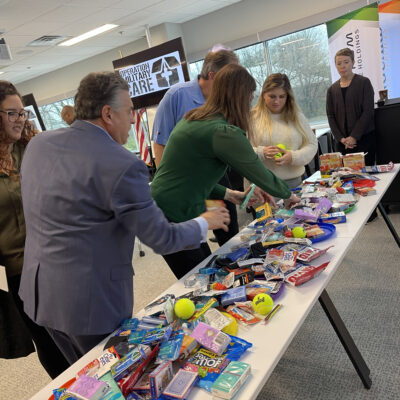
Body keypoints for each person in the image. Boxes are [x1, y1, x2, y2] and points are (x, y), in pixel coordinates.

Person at [18, 72, 230, 365]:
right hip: (91, 303)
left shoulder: (39, 145)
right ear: (107, 113)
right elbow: (163, 239)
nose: (133, 120)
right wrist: (205, 221)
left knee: (82, 378)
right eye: (129, 110)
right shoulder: (122, 163)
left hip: (41, 294)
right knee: (112, 378)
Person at [151, 64, 299, 279]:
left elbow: (193, 175)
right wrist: (290, 195)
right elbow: (258, 172)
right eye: (249, 98)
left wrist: (231, 194)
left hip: (169, 210)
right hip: (173, 214)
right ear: (239, 97)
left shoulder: (195, 118)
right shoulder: (223, 131)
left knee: (206, 271)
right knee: (200, 279)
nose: (249, 104)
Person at [0, 80, 70, 378]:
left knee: (77, 331)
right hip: (20, 271)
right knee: (49, 343)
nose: (20, 120)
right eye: (11, 114)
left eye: (22, 113)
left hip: (56, 256)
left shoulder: (30, 147)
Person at [152, 47, 240, 247]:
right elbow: (160, 143)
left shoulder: (223, 101)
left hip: (214, 180)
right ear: (212, 75)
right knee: (195, 241)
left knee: (228, 233)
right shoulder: (176, 95)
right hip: (185, 186)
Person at [248, 73, 318, 190]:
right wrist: (262, 152)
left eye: (282, 97)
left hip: (295, 183)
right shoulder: (252, 118)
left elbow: (312, 144)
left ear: (288, 97)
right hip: (264, 185)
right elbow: (243, 150)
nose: (277, 101)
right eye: (272, 96)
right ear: (263, 95)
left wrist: (292, 157)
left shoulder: (297, 117)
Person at [326, 47, 376, 166]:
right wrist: (341, 139)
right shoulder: (332, 90)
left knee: (367, 178)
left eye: (346, 62)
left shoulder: (364, 83)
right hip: (342, 144)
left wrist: (354, 136)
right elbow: (330, 115)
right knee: (345, 179)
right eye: (339, 63)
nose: (342, 66)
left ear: (353, 63)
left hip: (364, 140)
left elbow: (368, 111)